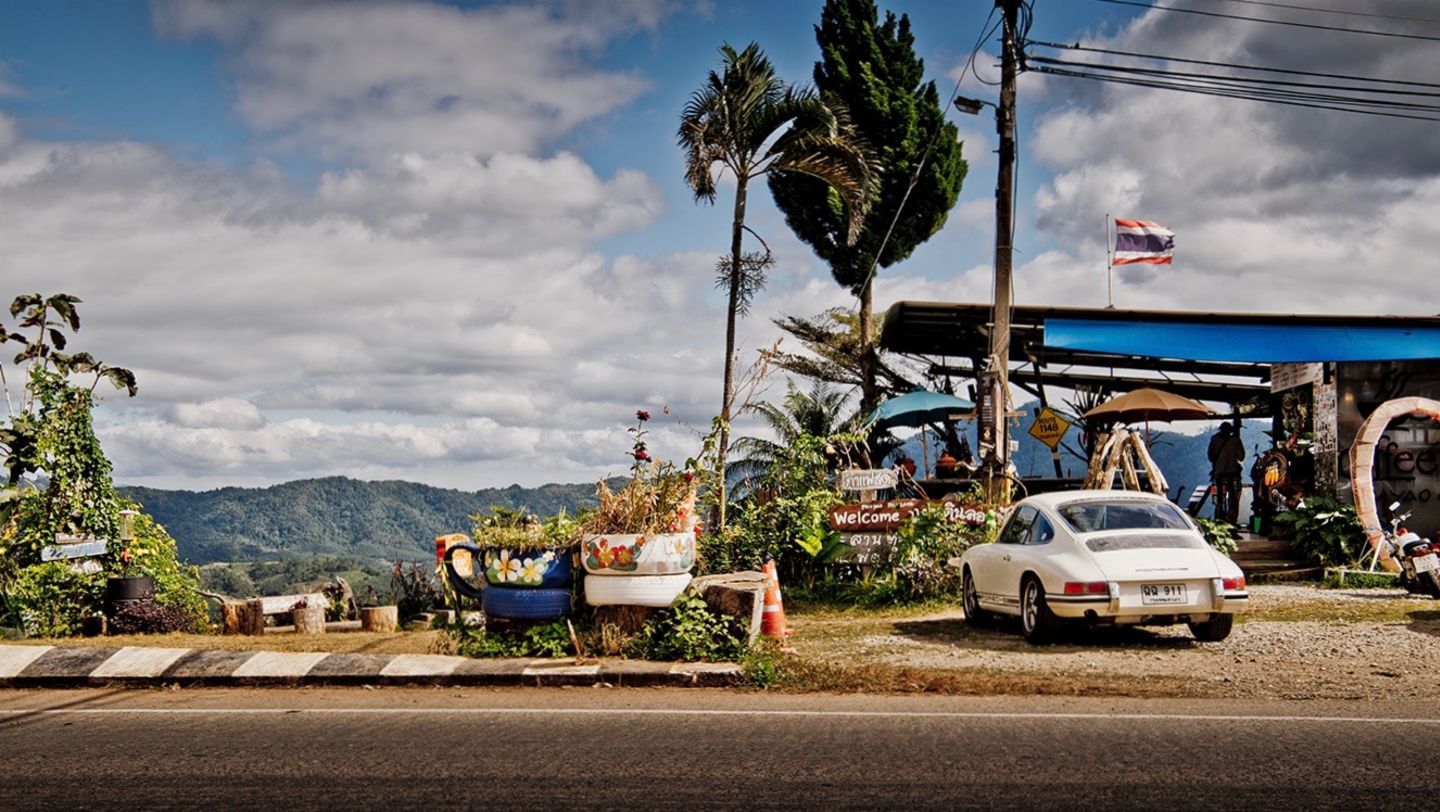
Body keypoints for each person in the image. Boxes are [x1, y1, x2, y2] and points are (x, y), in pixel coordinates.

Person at [1208, 423, 1245, 524]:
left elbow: (1211, 457)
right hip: (1233, 475)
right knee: (1234, 502)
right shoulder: (1236, 441)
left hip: (1218, 475)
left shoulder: (1214, 440)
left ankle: (1219, 524)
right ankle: (1232, 524)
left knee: (1218, 502)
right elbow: (1241, 456)